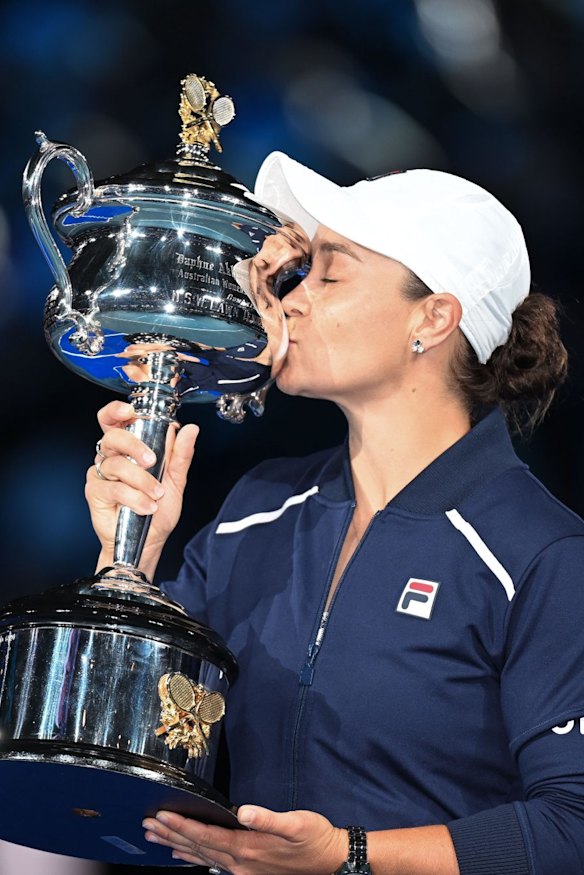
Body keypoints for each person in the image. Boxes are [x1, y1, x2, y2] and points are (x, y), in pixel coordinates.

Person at [85, 153, 584, 875]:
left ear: (433, 318)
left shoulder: (540, 554)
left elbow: (571, 827)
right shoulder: (256, 509)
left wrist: (348, 857)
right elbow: (120, 755)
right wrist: (128, 556)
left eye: (330, 275)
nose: (290, 301)